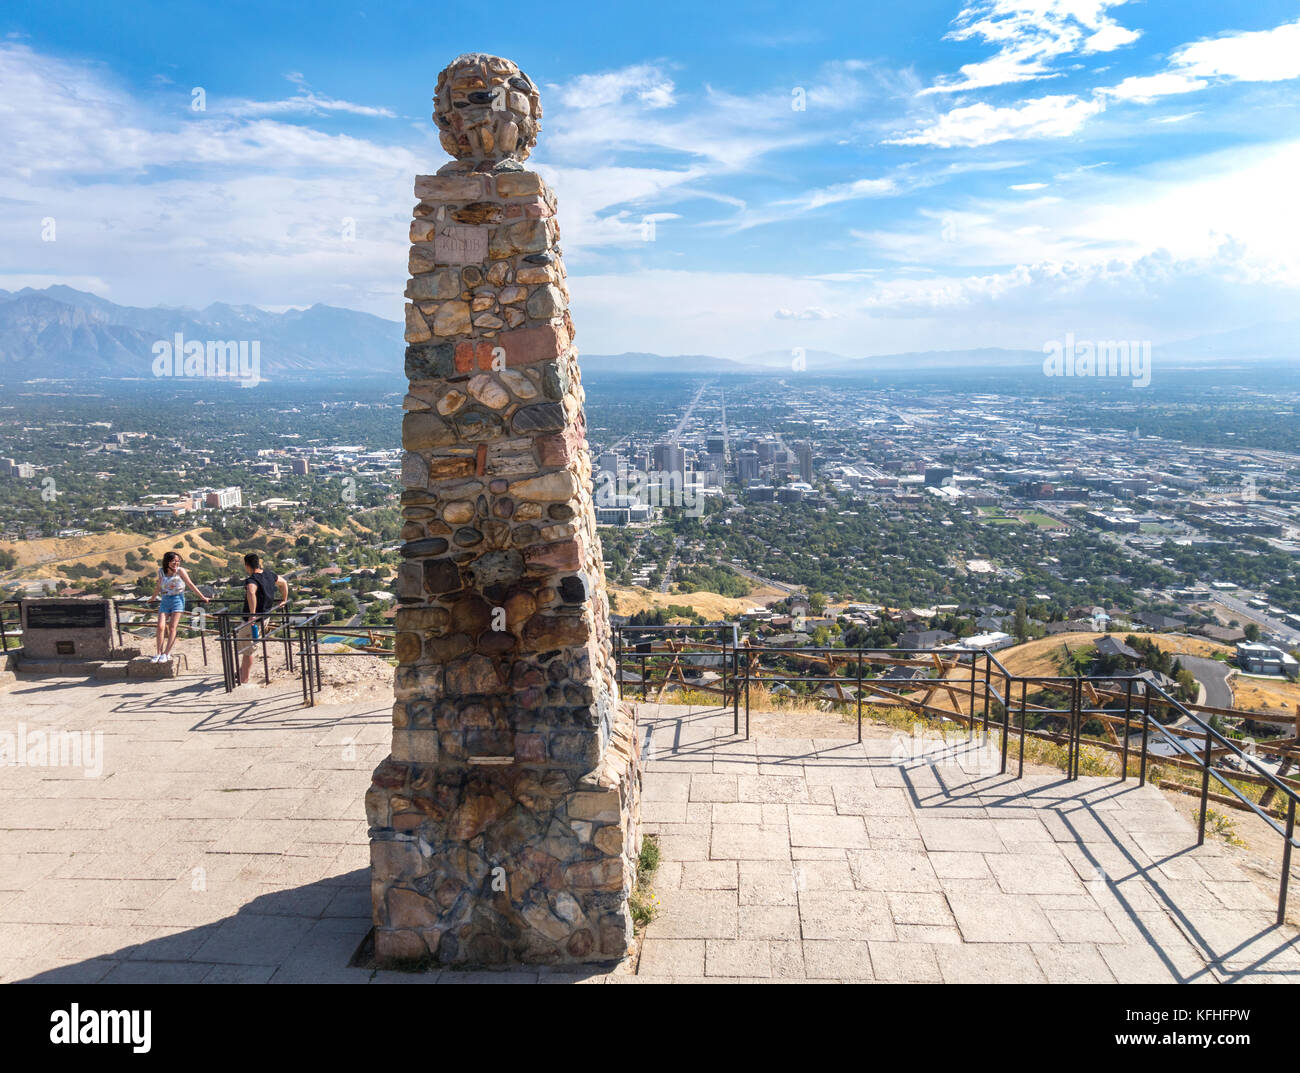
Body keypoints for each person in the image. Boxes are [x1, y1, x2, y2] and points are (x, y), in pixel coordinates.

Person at [237, 552, 289, 685]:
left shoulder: (252, 579)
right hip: (265, 616)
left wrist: (252, 614)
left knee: (248, 650)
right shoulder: (269, 575)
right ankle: (241, 673)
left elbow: (250, 591)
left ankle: (244, 679)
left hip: (253, 621)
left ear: (247, 566)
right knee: (248, 647)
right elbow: (283, 583)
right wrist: (284, 599)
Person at [150, 551, 208, 663]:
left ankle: (166, 653)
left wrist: (202, 597)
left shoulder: (180, 571)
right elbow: (158, 586)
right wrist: (153, 598)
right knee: (160, 626)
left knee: (172, 627)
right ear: (167, 562)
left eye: (178, 561)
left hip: (178, 599)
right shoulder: (161, 571)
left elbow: (190, 584)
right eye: (173, 561)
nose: (176, 563)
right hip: (165, 600)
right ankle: (158, 652)